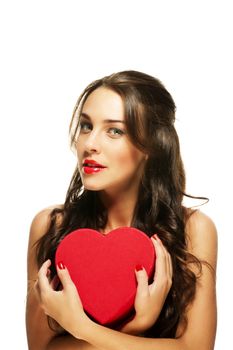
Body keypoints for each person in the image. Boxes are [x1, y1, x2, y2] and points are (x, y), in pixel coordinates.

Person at [26, 70, 217, 350]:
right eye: (86, 126)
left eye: (114, 131)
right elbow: (41, 348)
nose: (90, 145)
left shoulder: (193, 229)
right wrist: (136, 327)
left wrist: (80, 329)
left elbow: (196, 348)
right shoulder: (51, 225)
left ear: (151, 145)